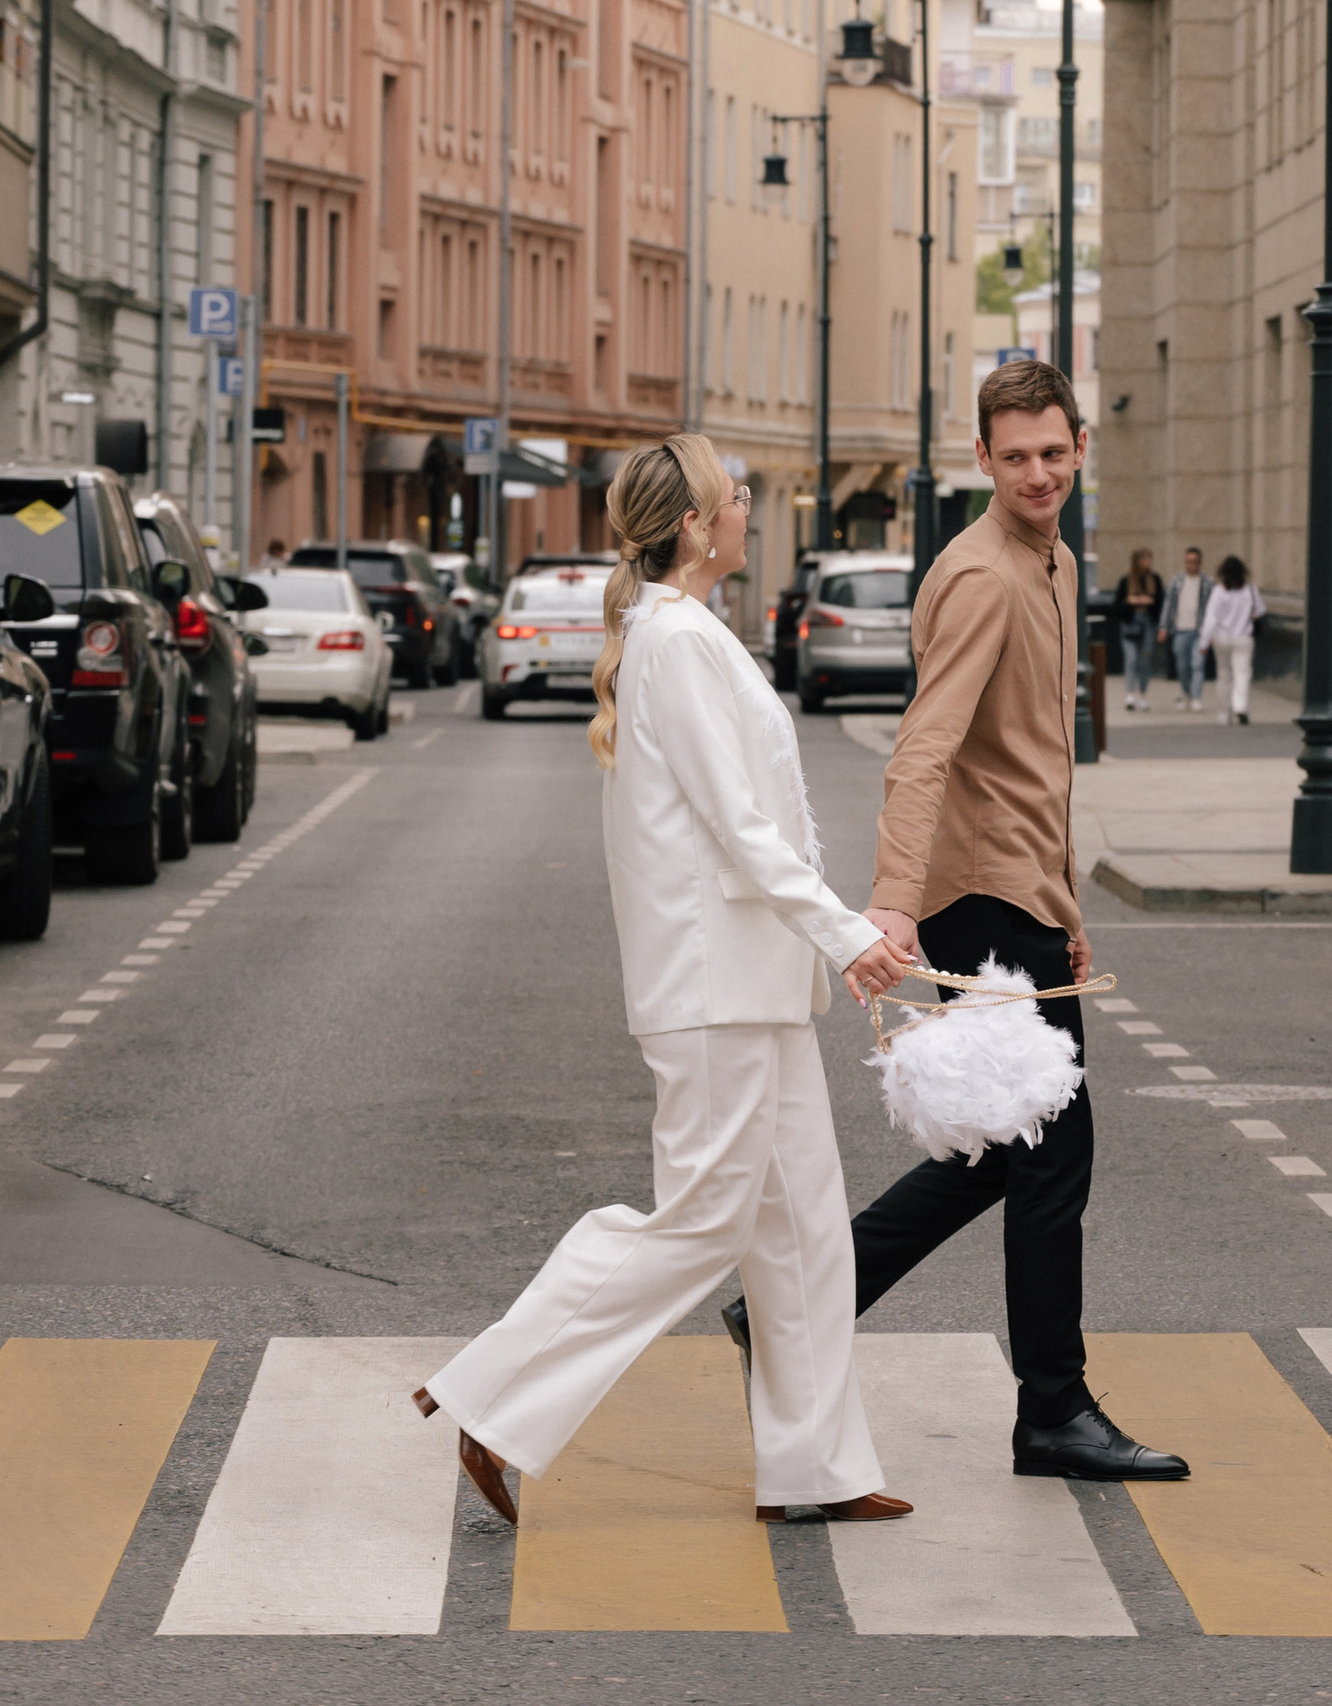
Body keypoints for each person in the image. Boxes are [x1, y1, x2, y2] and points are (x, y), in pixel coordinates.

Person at [416, 434, 917, 1528]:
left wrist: (824, 945)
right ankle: (493, 1394)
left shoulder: (688, 633)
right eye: (734, 496)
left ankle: (815, 1468)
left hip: (751, 984)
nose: (744, 507)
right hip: (713, 988)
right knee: (700, 1222)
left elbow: (752, 823)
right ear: (696, 526)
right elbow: (742, 831)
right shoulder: (680, 643)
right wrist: (846, 934)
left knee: (805, 1234)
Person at [731, 360, 1186, 1486]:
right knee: (1047, 1150)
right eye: (1014, 454)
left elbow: (1034, 763)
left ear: (1079, 446)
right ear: (980, 458)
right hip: (975, 897)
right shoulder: (983, 574)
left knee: (1006, 1143)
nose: (1036, 472)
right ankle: (1052, 1408)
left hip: (1017, 891)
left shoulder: (1055, 558)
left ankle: (792, 1306)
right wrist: (889, 902)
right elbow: (926, 747)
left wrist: (1066, 902)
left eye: (1053, 451)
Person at [1197, 554, 1259, 724]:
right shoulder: (1250, 590)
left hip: (1222, 639)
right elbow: (1260, 611)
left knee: (1224, 675)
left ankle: (1224, 713)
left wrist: (1204, 642)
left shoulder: (1218, 591)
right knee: (1242, 674)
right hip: (1243, 638)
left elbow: (1211, 619)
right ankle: (1240, 706)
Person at [1117, 550, 1163, 709]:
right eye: (1144, 560)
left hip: (1148, 625)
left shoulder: (1154, 579)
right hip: (1130, 624)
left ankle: (1142, 694)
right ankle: (1130, 694)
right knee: (1130, 660)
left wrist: (1150, 601)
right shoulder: (1126, 580)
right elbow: (1117, 605)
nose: (1147, 563)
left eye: (1149, 560)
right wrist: (1130, 601)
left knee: (1144, 660)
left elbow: (1160, 602)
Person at [1167, 545, 1209, 709]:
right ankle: (1186, 693)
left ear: (1199, 563)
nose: (1190, 565)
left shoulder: (1207, 582)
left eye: (1194, 562)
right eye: (1187, 562)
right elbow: (1169, 605)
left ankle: (1197, 697)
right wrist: (1164, 626)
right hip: (1180, 630)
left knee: (1198, 664)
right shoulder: (1177, 581)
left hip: (1199, 631)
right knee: (1182, 665)